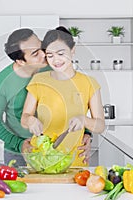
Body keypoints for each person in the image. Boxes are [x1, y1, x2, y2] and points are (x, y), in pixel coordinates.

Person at [0, 28, 92, 166]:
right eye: (35, 53)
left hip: (58, 147)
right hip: (20, 152)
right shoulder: (0, 84)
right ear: (21, 61)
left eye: (41, 46)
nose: (44, 54)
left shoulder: (53, 68)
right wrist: (19, 144)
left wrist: (87, 133)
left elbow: (78, 100)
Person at [21, 26, 105, 167]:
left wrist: (83, 120)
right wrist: (30, 120)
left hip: (74, 161)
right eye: (50, 55)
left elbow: (100, 125)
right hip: (40, 159)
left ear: (72, 50)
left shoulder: (89, 83)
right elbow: (24, 117)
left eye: (61, 53)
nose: (56, 60)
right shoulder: (38, 80)